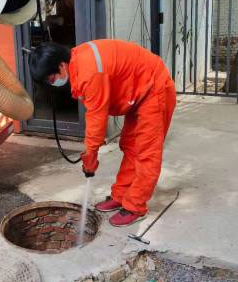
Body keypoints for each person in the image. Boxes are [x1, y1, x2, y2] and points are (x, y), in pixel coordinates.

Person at [29, 40, 176, 227]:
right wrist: (90, 153)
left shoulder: (89, 74)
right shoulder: (76, 63)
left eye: (51, 79)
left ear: (61, 65)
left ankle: (135, 206)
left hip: (154, 87)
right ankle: (121, 196)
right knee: (130, 145)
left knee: (147, 152)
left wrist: (90, 155)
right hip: (138, 89)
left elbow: (96, 120)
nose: (53, 84)